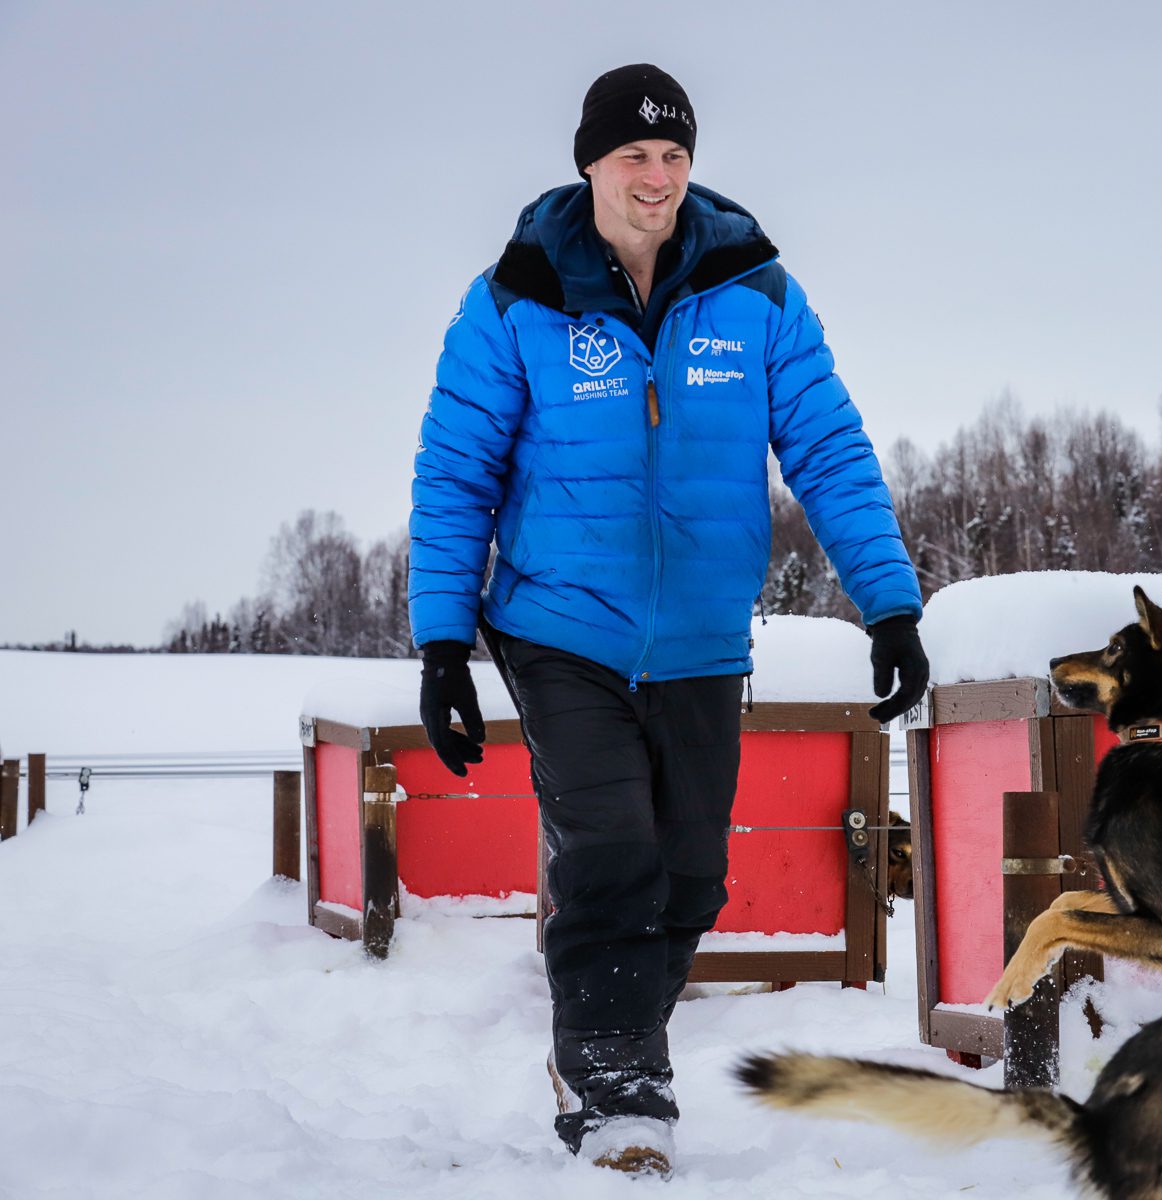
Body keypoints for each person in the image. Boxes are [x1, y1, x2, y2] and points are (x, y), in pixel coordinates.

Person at [407, 63, 928, 1177]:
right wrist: (444, 643)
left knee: (690, 875)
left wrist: (888, 603)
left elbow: (829, 449)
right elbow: (457, 473)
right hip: (559, 626)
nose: (657, 178)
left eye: (674, 156)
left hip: (698, 634)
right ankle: (616, 1090)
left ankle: (602, 1040)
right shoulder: (516, 293)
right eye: (635, 156)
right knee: (609, 851)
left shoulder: (757, 290)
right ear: (591, 162)